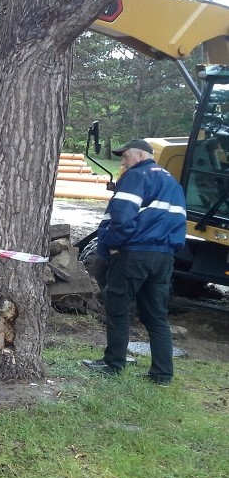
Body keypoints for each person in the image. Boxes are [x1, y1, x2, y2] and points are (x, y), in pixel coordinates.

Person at [82, 139, 187, 386]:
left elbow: (121, 216)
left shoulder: (136, 176)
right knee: (157, 316)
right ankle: (162, 374)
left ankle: (113, 363)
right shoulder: (172, 182)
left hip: (134, 253)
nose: (122, 162)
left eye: (125, 156)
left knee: (117, 306)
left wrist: (110, 246)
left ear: (140, 156)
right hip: (164, 256)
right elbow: (179, 220)